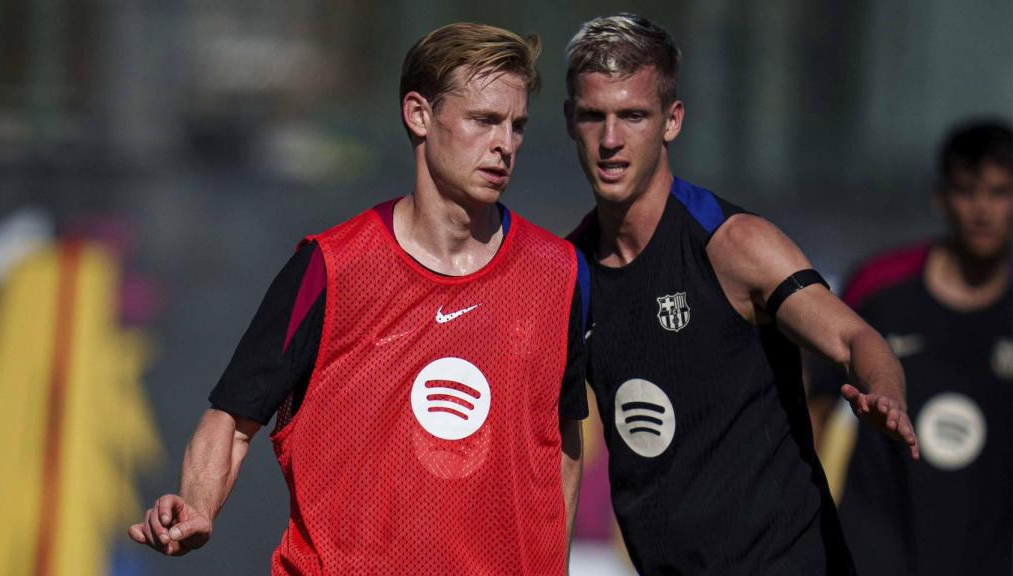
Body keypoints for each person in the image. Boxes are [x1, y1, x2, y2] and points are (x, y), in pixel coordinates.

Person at [129, 22, 589, 574]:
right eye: (483, 120)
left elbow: (560, 443)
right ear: (418, 114)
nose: (504, 145)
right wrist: (199, 505)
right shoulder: (330, 268)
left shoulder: (556, 273)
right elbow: (230, 420)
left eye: (517, 126)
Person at [562, 13, 918, 575]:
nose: (610, 140)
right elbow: (564, 448)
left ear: (671, 121)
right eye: (593, 116)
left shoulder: (732, 245)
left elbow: (854, 336)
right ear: (569, 121)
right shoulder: (567, 274)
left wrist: (885, 392)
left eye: (633, 115)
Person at [807, 120, 1012, 576]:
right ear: (941, 198)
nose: (983, 210)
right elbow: (812, 408)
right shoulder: (879, 289)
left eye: (999, 193)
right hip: (873, 555)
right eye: (967, 191)